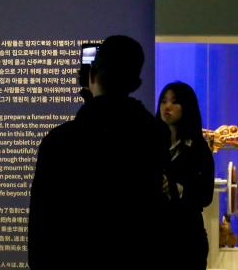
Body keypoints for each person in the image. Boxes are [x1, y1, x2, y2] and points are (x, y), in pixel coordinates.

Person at [28, 35, 171, 269]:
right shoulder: (154, 137)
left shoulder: (60, 141)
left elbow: (42, 225)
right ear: (135, 84)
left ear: (91, 75)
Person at [157, 82, 214, 270]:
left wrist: (178, 188)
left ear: (186, 106)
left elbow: (206, 195)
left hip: (188, 236)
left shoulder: (199, 148)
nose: (167, 107)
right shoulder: (151, 144)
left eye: (174, 102)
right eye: (164, 101)